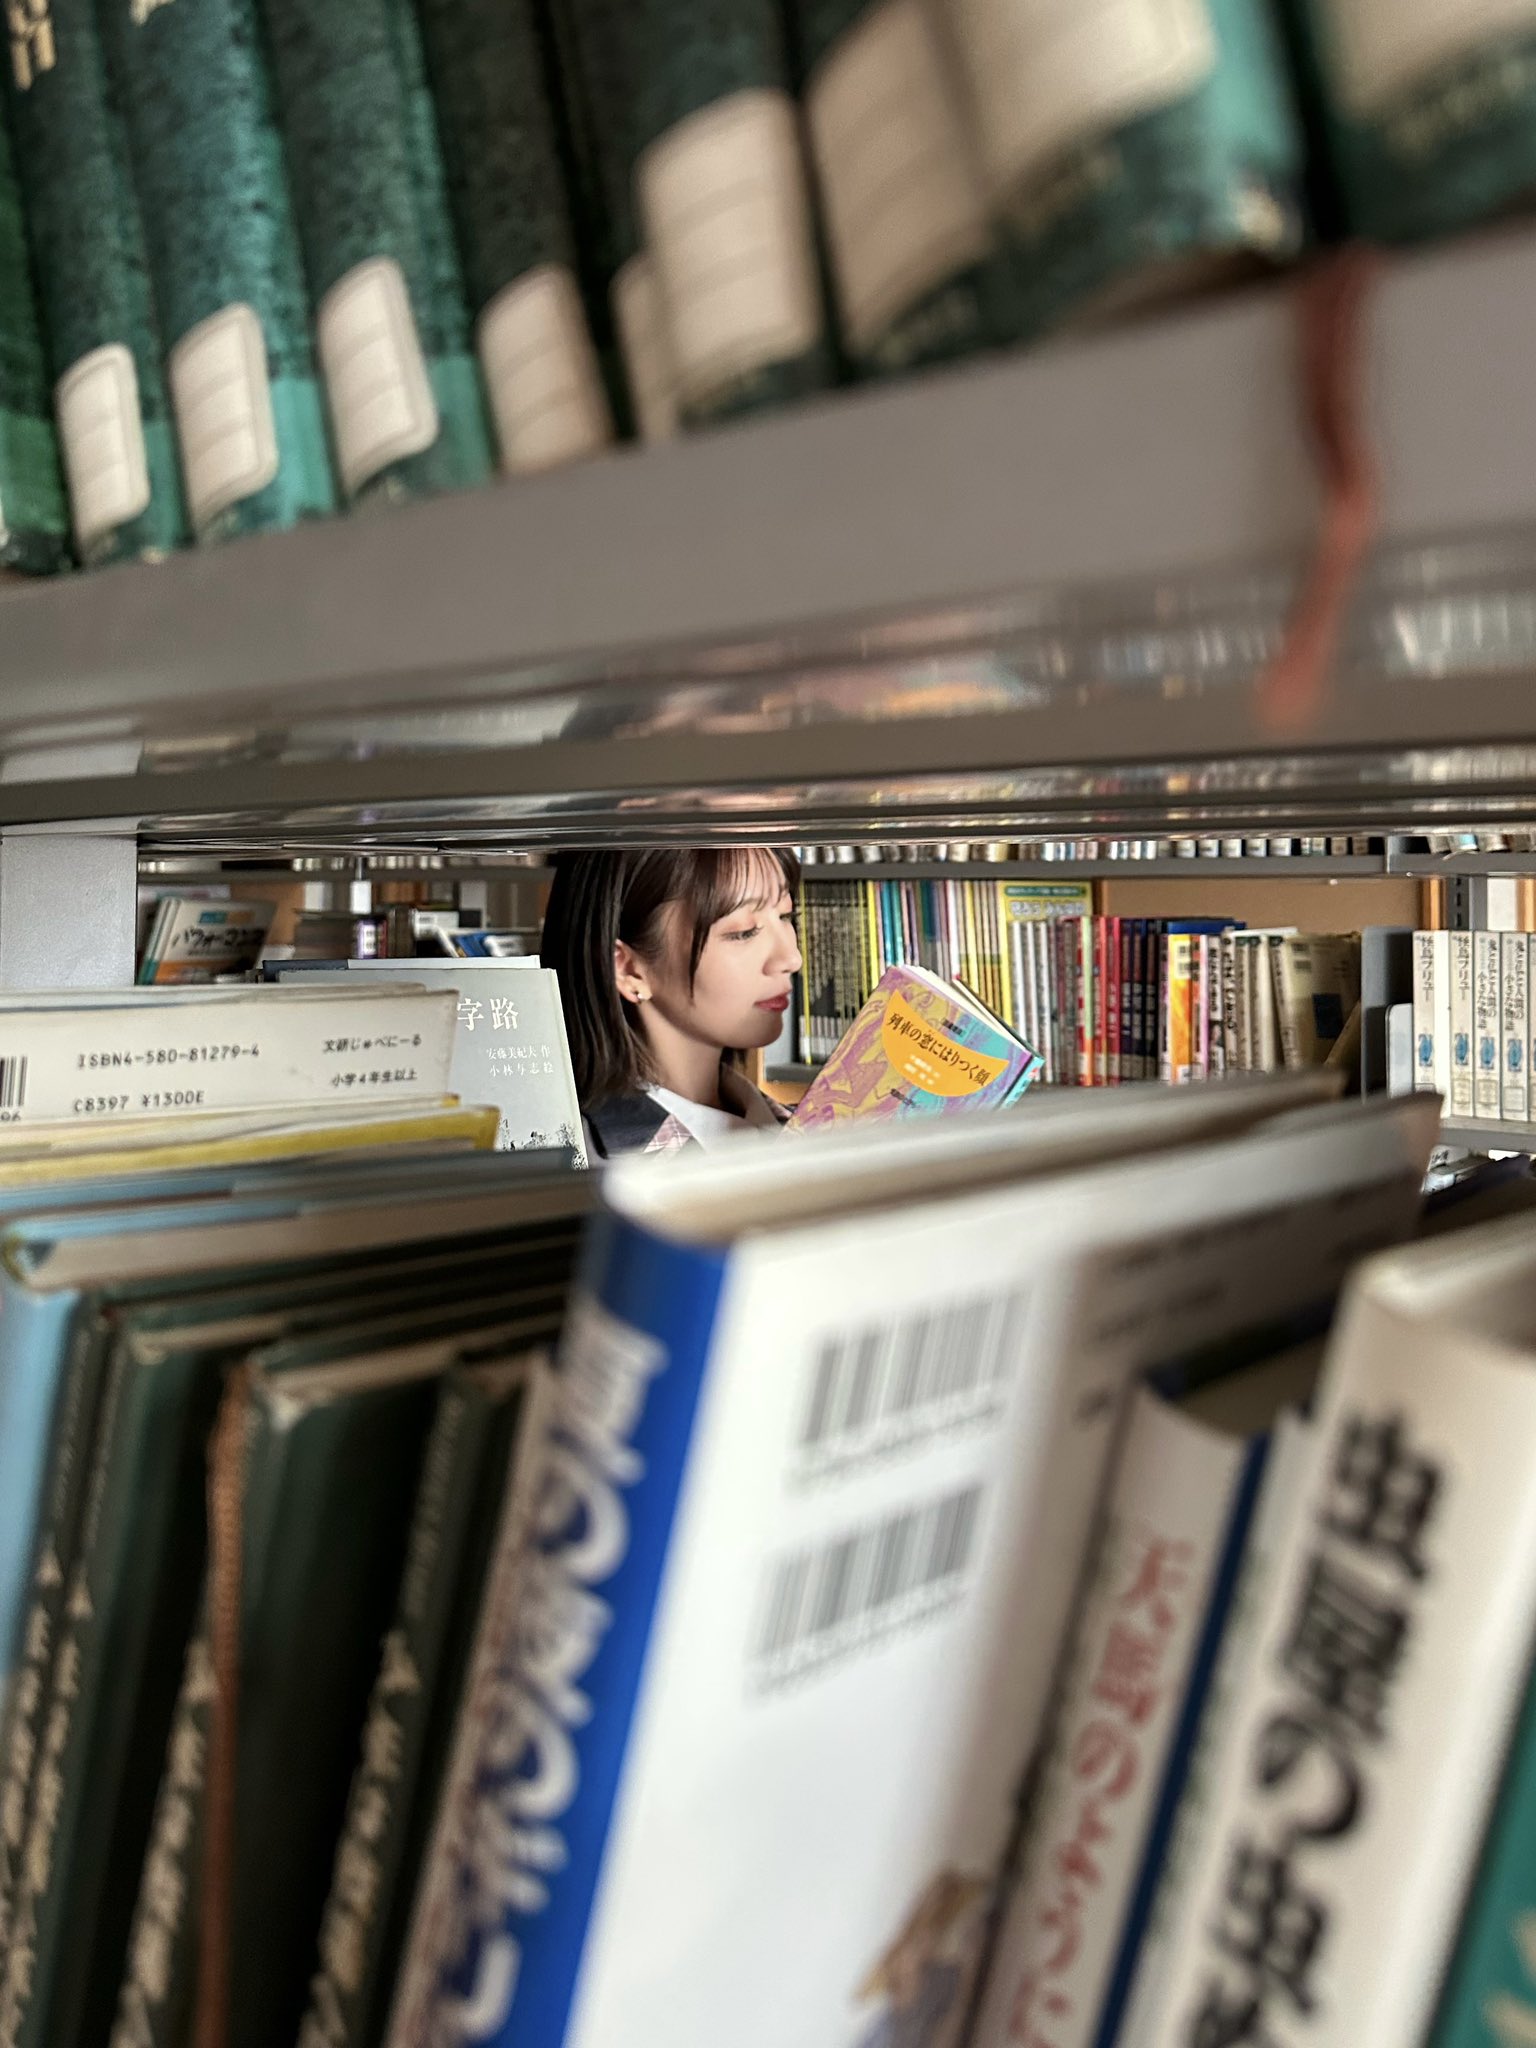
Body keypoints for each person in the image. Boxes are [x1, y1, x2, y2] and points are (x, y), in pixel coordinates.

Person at [540, 847, 802, 1158]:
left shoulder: (814, 1130)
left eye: (786, 916)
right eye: (744, 933)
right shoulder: (570, 1165)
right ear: (628, 970)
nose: (791, 958)